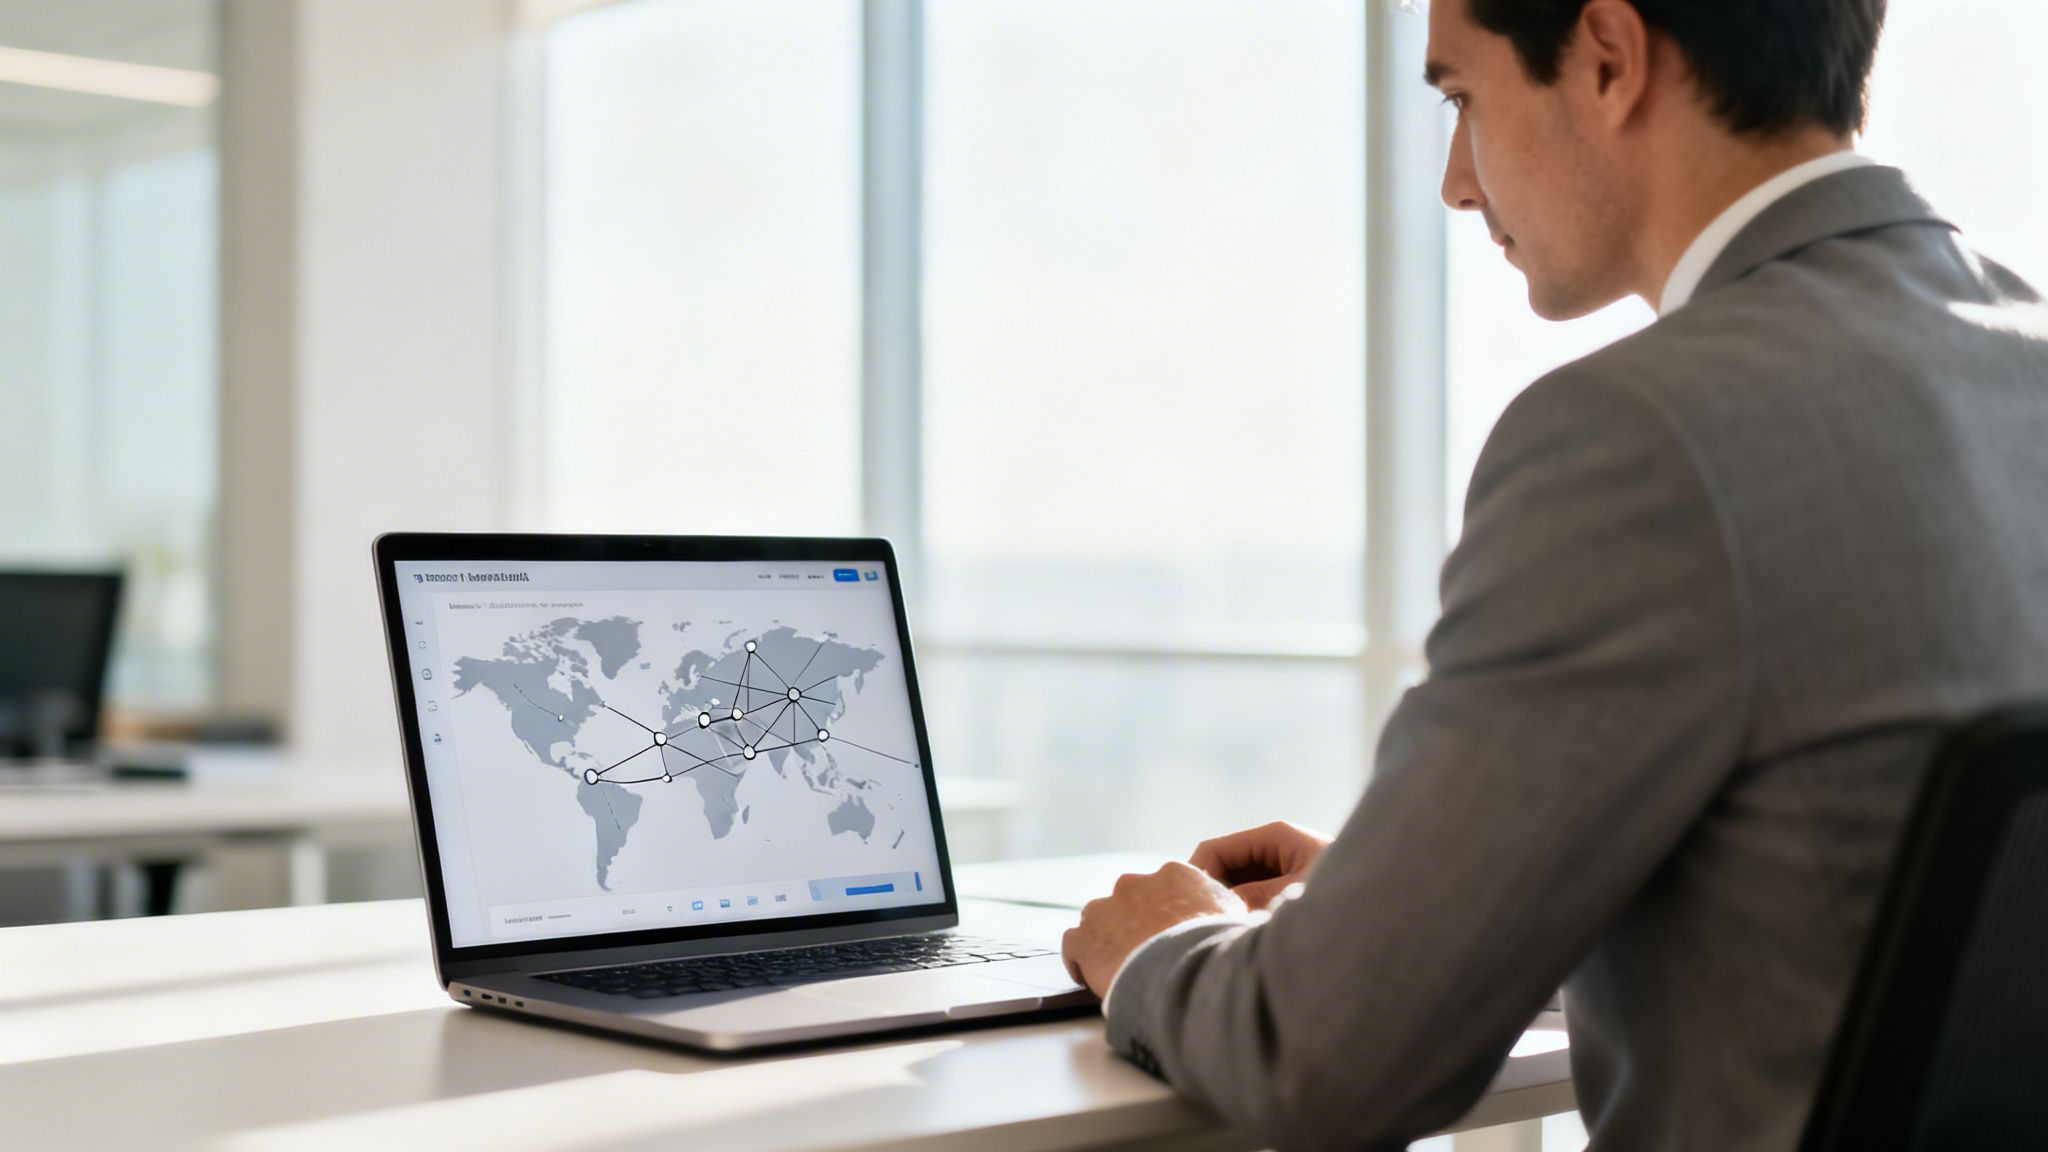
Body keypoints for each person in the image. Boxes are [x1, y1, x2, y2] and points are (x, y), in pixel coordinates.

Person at [1059, 0, 2048, 1148]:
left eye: (1459, 97)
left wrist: (1163, 949)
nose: (1453, 182)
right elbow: (1889, 930)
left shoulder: (1638, 438)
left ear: (1607, 59)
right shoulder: (2014, 361)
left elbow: (1322, 1056)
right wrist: (1439, 902)